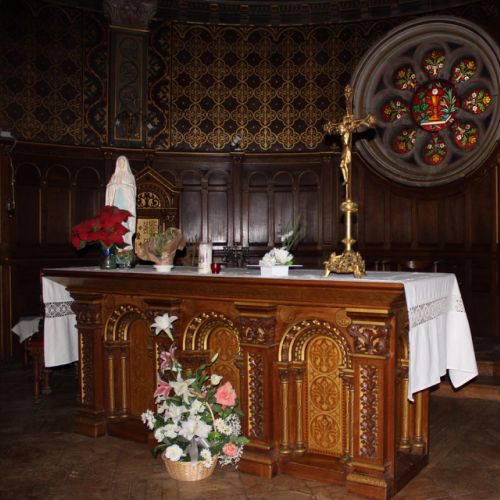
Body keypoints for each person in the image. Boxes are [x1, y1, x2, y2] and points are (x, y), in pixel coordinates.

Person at [105, 155, 136, 249]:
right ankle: (116, 246)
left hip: (125, 203)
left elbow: (133, 189)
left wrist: (123, 185)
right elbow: (109, 187)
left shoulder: (130, 176)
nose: (120, 163)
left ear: (125, 163)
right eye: (119, 162)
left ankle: (125, 245)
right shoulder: (114, 176)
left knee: (124, 222)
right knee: (115, 223)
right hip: (116, 201)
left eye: (122, 162)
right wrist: (114, 185)